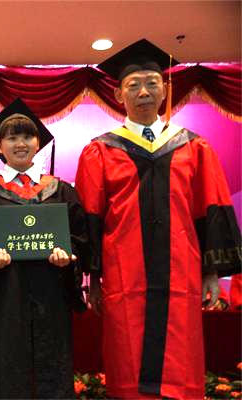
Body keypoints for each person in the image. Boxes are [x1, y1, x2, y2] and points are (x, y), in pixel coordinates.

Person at [75, 39, 241, 399]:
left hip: (182, 271)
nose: (143, 92)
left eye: (152, 83)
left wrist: (212, 272)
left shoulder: (193, 147)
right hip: (123, 273)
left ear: (165, 89)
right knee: (127, 357)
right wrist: (94, 279)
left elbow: (211, 208)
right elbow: (90, 217)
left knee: (181, 356)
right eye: (133, 85)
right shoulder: (100, 150)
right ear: (117, 95)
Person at [0, 98, 88, 398]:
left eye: (27, 136)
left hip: (51, 301)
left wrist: (69, 258)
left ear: (38, 143)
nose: (20, 144)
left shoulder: (61, 191)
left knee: (52, 375)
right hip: (3, 303)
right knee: (6, 375)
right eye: (12, 138)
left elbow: (80, 238)